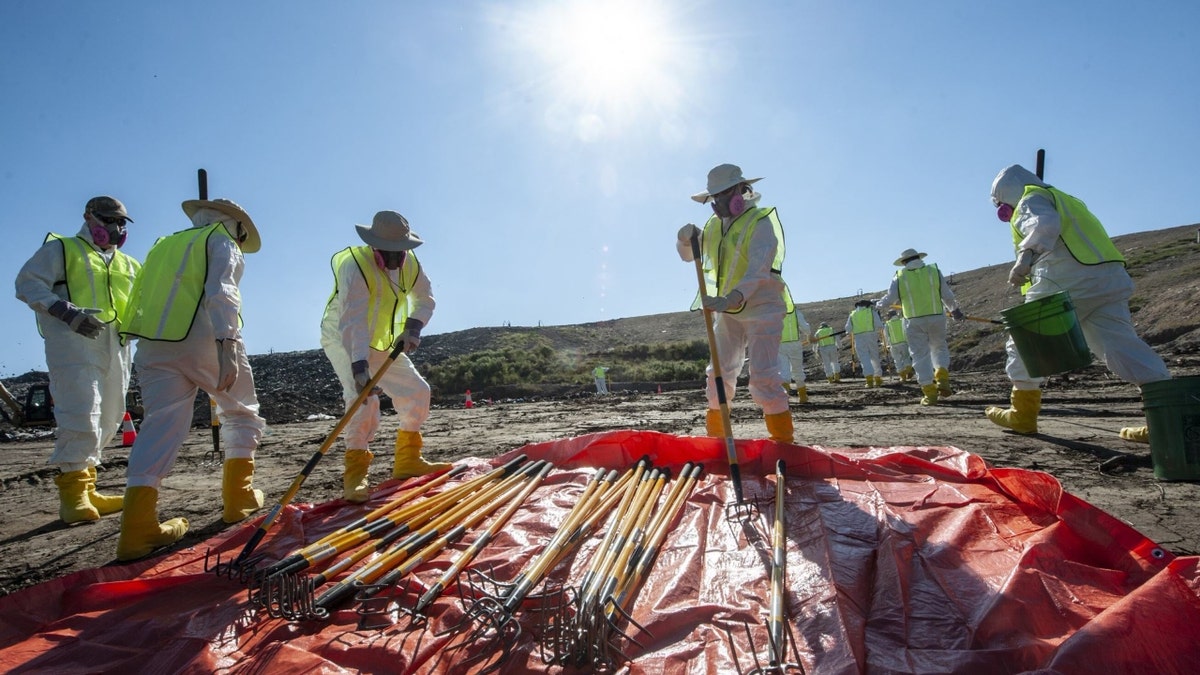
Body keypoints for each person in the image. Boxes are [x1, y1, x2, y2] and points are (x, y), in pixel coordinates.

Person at [115, 197, 265, 560]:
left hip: (153, 345)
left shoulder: (163, 246)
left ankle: (136, 530)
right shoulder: (222, 240)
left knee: (160, 426)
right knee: (241, 411)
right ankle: (238, 500)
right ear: (238, 226)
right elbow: (223, 292)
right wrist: (227, 343)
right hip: (204, 338)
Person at [987, 165, 1171, 438]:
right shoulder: (1067, 199)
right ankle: (1166, 421)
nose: (1004, 212)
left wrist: (1024, 258)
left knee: (1025, 339)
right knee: (1122, 346)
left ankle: (1023, 414)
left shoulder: (1030, 198)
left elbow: (1044, 224)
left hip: (1066, 277)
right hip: (1108, 278)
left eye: (1002, 206)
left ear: (1005, 196)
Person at [14, 196, 140, 524]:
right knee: (83, 412)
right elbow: (27, 283)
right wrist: (65, 311)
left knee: (109, 416)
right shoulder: (63, 249)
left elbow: (144, 301)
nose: (116, 228)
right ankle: (72, 497)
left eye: (121, 222)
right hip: (74, 345)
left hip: (116, 346)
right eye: (109, 220)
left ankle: (89, 488)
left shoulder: (129, 264)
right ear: (89, 217)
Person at [320, 210, 450, 503]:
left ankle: (407, 461)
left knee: (418, 392)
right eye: (388, 253)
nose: (394, 260)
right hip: (344, 338)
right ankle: (355, 474)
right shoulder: (355, 266)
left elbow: (425, 298)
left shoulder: (411, 264)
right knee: (363, 400)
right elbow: (352, 321)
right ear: (374, 246)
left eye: (400, 253)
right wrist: (359, 368)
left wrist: (413, 328)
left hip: (383, 340)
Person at [676, 163, 794, 443]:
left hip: (762, 307)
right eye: (714, 198)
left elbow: (758, 270)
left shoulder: (760, 223)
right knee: (718, 374)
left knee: (764, 377)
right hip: (726, 311)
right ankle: (718, 439)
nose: (718, 203)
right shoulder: (715, 227)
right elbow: (688, 255)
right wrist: (683, 239)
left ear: (741, 191)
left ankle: (783, 442)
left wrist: (733, 298)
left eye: (723, 195)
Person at [875, 248, 964, 404]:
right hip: (937, 317)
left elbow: (890, 299)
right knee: (939, 348)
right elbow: (946, 294)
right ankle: (942, 378)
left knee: (919, 355)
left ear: (903, 262)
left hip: (913, 320)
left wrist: (878, 304)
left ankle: (929, 393)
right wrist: (954, 310)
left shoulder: (899, 276)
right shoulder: (933, 271)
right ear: (919, 258)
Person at [845, 300, 884, 387]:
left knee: (864, 358)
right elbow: (879, 325)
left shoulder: (852, 314)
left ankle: (869, 379)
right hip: (871, 336)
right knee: (874, 356)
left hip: (859, 338)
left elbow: (848, 328)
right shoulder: (871, 312)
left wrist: (849, 331)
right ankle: (878, 378)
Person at [778, 306, 811, 402]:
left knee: (783, 371)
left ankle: (784, 399)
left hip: (779, 344)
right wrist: (809, 334)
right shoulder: (795, 312)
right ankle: (803, 396)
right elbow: (804, 327)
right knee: (797, 369)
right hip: (795, 344)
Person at [883, 310, 914, 381]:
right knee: (906, 358)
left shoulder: (887, 324)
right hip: (904, 343)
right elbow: (906, 331)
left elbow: (886, 336)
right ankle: (908, 370)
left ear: (889, 316)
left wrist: (887, 345)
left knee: (897, 360)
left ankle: (902, 376)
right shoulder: (902, 321)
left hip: (893, 345)